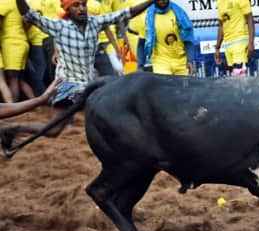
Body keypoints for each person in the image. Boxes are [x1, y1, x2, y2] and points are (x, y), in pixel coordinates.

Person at [5, 0, 154, 138]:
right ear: (68, 9)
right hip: (67, 86)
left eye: (83, 4)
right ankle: (14, 128)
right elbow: (29, 15)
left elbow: (127, 12)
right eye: (76, 5)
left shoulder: (95, 22)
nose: (82, 8)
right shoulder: (60, 27)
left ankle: (15, 128)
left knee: (56, 130)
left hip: (87, 84)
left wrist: (151, 1)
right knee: (58, 129)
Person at [142, 0, 195, 75]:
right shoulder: (149, 16)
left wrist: (190, 60)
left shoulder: (178, 13)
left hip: (181, 61)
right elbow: (143, 40)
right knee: (165, 86)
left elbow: (188, 38)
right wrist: (142, 63)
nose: (162, 1)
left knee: (183, 86)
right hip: (161, 61)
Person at [0, 0, 36, 101]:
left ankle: (13, 108)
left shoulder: (4, 3)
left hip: (12, 44)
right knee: (19, 79)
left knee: (13, 79)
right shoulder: (21, 4)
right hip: (22, 42)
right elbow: (29, 22)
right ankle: (35, 102)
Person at [214, 0, 255, 76]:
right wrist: (217, 48)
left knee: (239, 75)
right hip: (228, 44)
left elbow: (250, 19)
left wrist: (251, 43)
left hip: (240, 41)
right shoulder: (219, 2)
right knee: (234, 77)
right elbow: (221, 25)